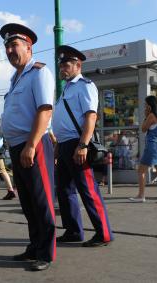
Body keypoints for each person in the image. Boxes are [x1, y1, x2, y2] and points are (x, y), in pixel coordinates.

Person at [0, 23, 55, 271]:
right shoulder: (16, 78)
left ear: (29, 47)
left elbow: (44, 110)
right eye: (7, 46)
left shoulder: (39, 72)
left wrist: (31, 145)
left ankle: (46, 252)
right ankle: (35, 246)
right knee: (28, 203)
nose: (10, 50)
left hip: (33, 144)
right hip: (18, 146)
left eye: (15, 45)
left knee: (41, 200)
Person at [52, 45, 114, 247]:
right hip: (64, 146)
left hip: (77, 144)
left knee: (88, 189)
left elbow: (91, 116)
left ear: (78, 65)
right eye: (61, 65)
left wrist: (83, 145)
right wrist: (58, 146)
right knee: (64, 190)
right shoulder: (67, 88)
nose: (62, 68)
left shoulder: (85, 85)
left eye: (66, 65)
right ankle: (73, 231)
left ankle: (103, 233)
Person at [129, 95, 157, 203]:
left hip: (152, 148)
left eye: (145, 104)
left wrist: (146, 115)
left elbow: (143, 129)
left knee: (141, 171)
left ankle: (141, 196)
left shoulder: (151, 115)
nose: (144, 106)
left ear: (150, 105)